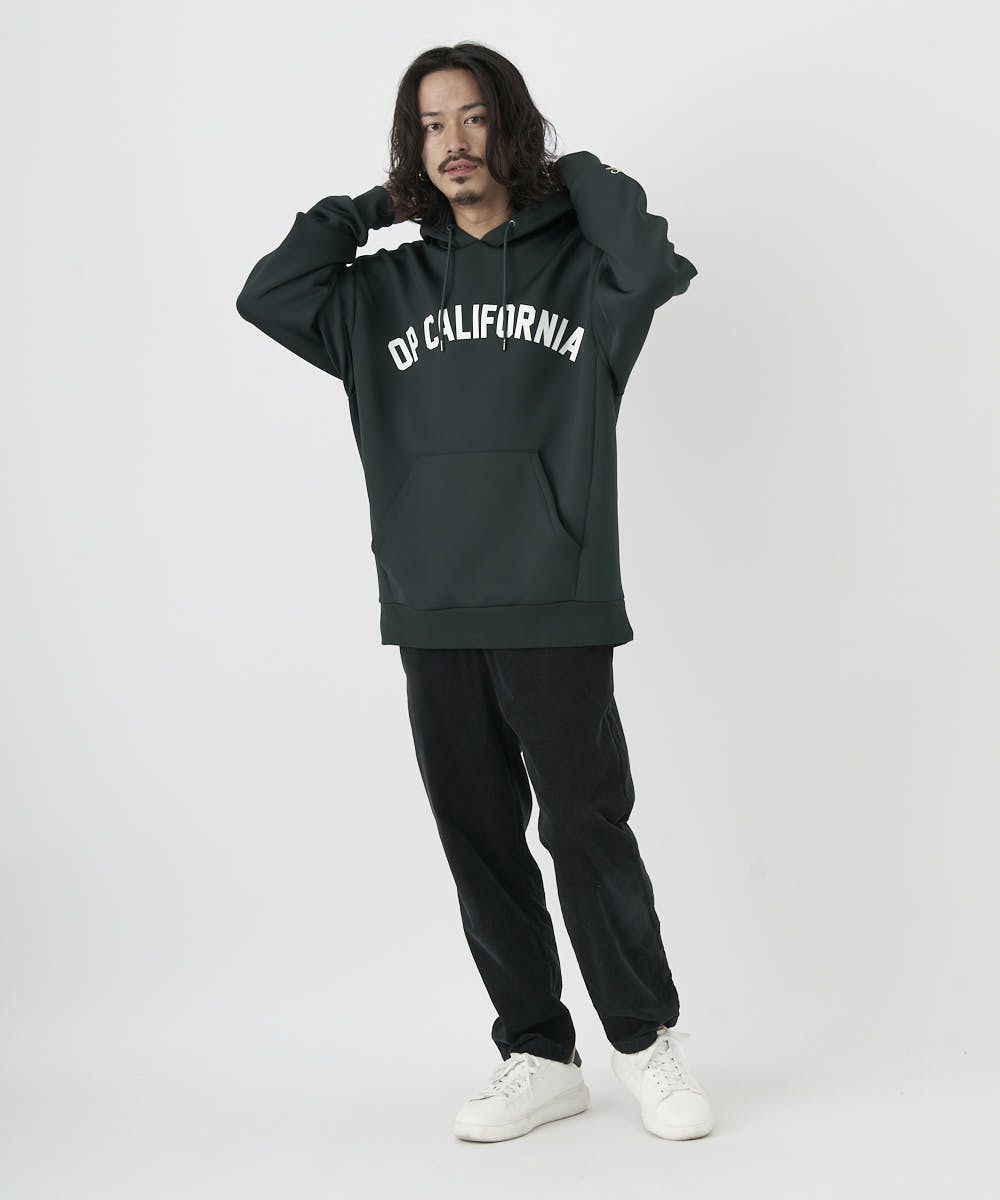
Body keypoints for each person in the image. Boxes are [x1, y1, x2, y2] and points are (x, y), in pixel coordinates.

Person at [236, 41, 712, 1143]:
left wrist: (570, 171)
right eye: (429, 125)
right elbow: (268, 293)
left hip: (553, 592)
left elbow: (651, 264)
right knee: (478, 834)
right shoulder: (378, 293)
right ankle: (538, 1053)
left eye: (473, 119)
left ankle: (645, 1041)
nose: (452, 143)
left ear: (511, 127)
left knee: (585, 827)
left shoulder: (586, 275)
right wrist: (375, 205)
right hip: (434, 599)